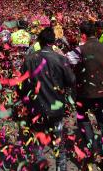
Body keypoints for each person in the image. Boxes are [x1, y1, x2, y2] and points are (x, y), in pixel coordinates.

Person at [20, 27, 76, 171]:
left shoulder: (29, 59)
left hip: (36, 106)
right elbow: (71, 80)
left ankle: (40, 167)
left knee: (38, 141)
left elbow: (22, 83)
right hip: (55, 106)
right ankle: (60, 168)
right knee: (58, 142)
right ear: (53, 41)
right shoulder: (60, 58)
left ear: (39, 40)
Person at [74, 21, 103, 167]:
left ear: (82, 34)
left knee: (84, 120)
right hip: (102, 92)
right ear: (96, 33)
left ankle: (91, 149)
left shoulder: (80, 49)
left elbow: (66, 61)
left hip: (84, 93)